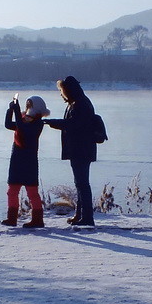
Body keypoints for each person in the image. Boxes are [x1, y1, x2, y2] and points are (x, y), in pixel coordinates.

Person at [45, 76, 98, 227]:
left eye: (62, 91)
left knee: (82, 184)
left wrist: (52, 122)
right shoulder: (78, 102)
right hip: (80, 149)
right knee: (80, 184)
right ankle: (80, 215)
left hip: (81, 149)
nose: (61, 94)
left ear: (68, 90)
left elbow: (73, 124)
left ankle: (87, 217)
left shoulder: (79, 104)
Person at [2, 94, 50, 228]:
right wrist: (11, 109)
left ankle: (37, 220)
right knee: (12, 190)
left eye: (30, 105)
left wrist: (16, 111)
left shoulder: (37, 123)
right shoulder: (24, 119)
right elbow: (8, 124)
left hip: (29, 161)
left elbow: (22, 129)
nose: (27, 108)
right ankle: (11, 218)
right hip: (17, 159)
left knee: (32, 192)